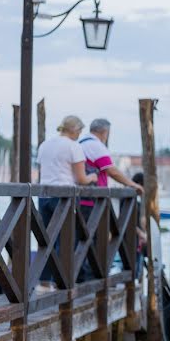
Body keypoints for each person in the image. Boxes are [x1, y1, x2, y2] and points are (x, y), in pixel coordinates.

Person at [76, 118, 143, 281]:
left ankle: (81, 275)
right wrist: (132, 184)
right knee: (96, 239)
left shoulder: (80, 143)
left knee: (82, 238)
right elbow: (112, 171)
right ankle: (93, 277)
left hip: (81, 199)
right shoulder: (96, 146)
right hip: (94, 201)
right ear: (104, 132)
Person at [36, 116, 97, 288]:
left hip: (44, 195)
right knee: (66, 239)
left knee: (47, 239)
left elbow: (43, 170)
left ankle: (44, 281)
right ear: (73, 129)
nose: (79, 134)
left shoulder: (45, 144)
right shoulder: (74, 146)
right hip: (64, 196)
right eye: (79, 131)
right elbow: (81, 178)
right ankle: (61, 281)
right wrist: (92, 177)